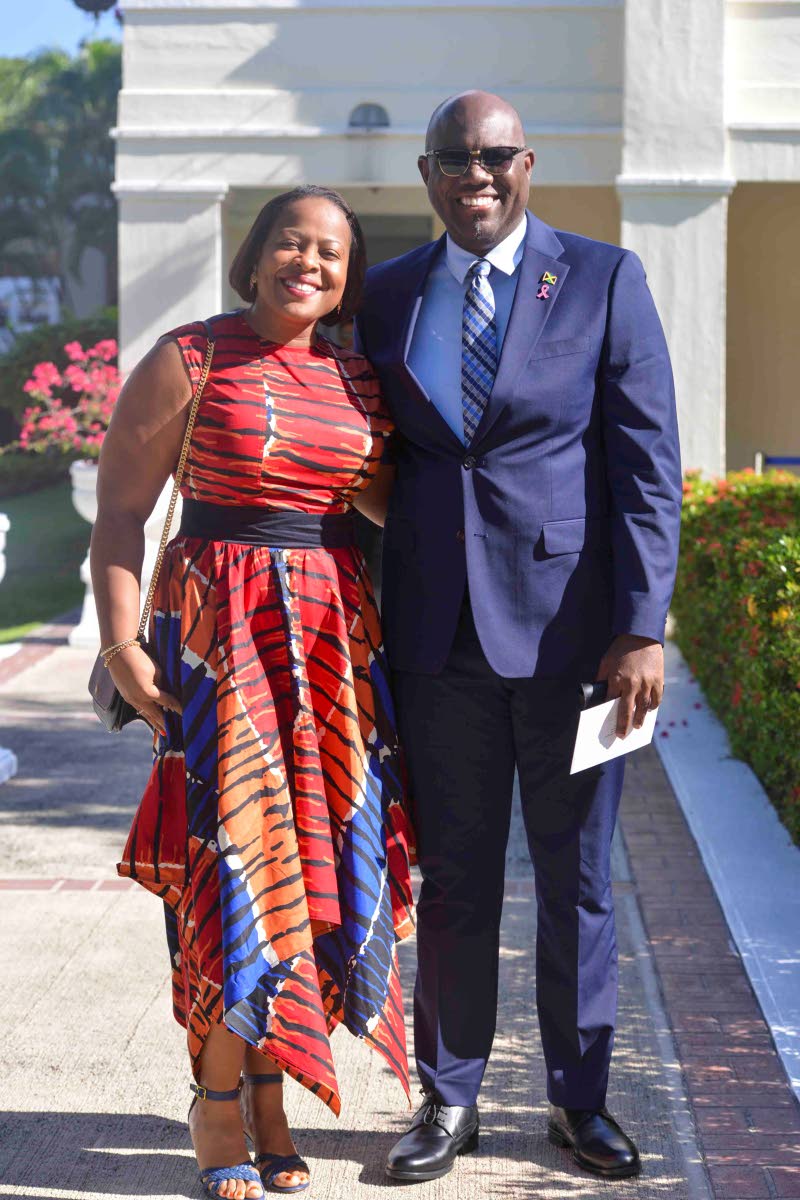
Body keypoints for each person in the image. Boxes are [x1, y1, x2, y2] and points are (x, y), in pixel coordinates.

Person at [354, 91, 682, 1182]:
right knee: (451, 881)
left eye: (494, 156)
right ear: (426, 171)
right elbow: (368, 463)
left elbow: (644, 469)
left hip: (581, 651)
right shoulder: (389, 295)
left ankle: (576, 1104)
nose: (475, 174)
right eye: (455, 158)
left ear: (526, 164)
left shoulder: (601, 278)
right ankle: (447, 1103)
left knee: (578, 881)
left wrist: (640, 627)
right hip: (435, 645)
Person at [91, 186, 415, 1200]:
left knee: (309, 875)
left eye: (328, 251)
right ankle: (218, 1101)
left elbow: (399, 502)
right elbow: (118, 513)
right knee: (228, 869)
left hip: (325, 656)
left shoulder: (357, 379)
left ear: (345, 276)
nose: (306, 262)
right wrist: (117, 641)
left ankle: (272, 1090)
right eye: (290, 241)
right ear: (256, 253)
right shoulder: (190, 357)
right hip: (215, 641)